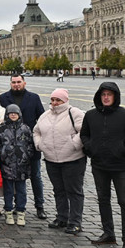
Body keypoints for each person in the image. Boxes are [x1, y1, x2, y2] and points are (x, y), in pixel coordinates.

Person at [81, 82, 125, 248]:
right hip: (99, 165)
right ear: (99, 96)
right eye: (103, 94)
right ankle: (108, 233)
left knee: (124, 202)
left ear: (115, 96)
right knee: (103, 199)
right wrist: (90, 148)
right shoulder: (90, 115)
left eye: (109, 94)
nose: (106, 97)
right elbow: (84, 134)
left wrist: (124, 150)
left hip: (121, 167)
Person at [34, 88, 87, 234]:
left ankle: (75, 222)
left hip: (73, 159)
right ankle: (62, 217)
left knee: (74, 191)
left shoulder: (74, 113)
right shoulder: (45, 115)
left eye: (58, 100)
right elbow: (36, 131)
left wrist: (74, 144)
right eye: (52, 99)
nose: (55, 103)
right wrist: (40, 145)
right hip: (52, 160)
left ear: (65, 100)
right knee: (59, 190)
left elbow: (84, 130)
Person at [0, 74, 47, 220]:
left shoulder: (34, 98)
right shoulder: (3, 98)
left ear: (24, 83)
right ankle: (14, 206)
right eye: (13, 82)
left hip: (29, 146)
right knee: (11, 178)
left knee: (36, 176)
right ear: (10, 83)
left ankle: (40, 206)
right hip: (10, 148)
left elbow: (42, 119)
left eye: (19, 82)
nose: (16, 85)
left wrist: (39, 140)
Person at [0, 104, 34, 227]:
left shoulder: (25, 128)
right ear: (7, 115)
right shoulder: (2, 128)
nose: (13, 115)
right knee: (8, 190)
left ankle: (21, 211)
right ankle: (8, 211)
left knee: (21, 190)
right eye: (11, 113)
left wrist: (27, 155)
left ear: (19, 114)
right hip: (7, 165)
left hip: (22, 165)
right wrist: (0, 153)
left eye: (15, 113)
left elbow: (31, 144)